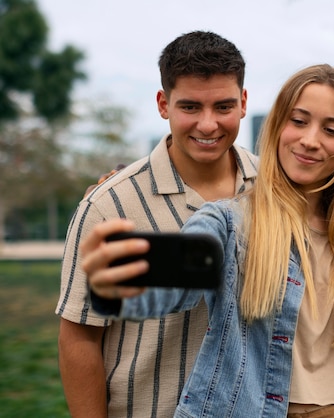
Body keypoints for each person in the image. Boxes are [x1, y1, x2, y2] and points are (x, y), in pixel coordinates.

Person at [81, 64, 334, 418]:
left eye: (331, 129)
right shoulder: (228, 223)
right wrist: (124, 279)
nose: (311, 140)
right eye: (298, 121)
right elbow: (178, 280)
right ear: (278, 125)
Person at [55, 31, 257, 418]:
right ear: (164, 104)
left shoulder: (274, 190)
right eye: (191, 107)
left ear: (244, 103)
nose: (208, 124)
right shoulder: (108, 205)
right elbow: (79, 336)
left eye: (223, 106)